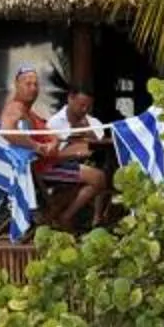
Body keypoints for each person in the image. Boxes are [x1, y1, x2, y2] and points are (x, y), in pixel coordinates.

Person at [39, 88, 113, 230]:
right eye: (81, 105)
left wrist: (88, 131)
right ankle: (63, 216)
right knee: (98, 178)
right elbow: (50, 152)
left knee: (102, 171)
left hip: (88, 163)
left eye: (88, 106)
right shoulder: (54, 123)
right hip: (58, 166)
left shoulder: (93, 122)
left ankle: (93, 218)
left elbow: (101, 143)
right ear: (70, 99)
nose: (84, 109)